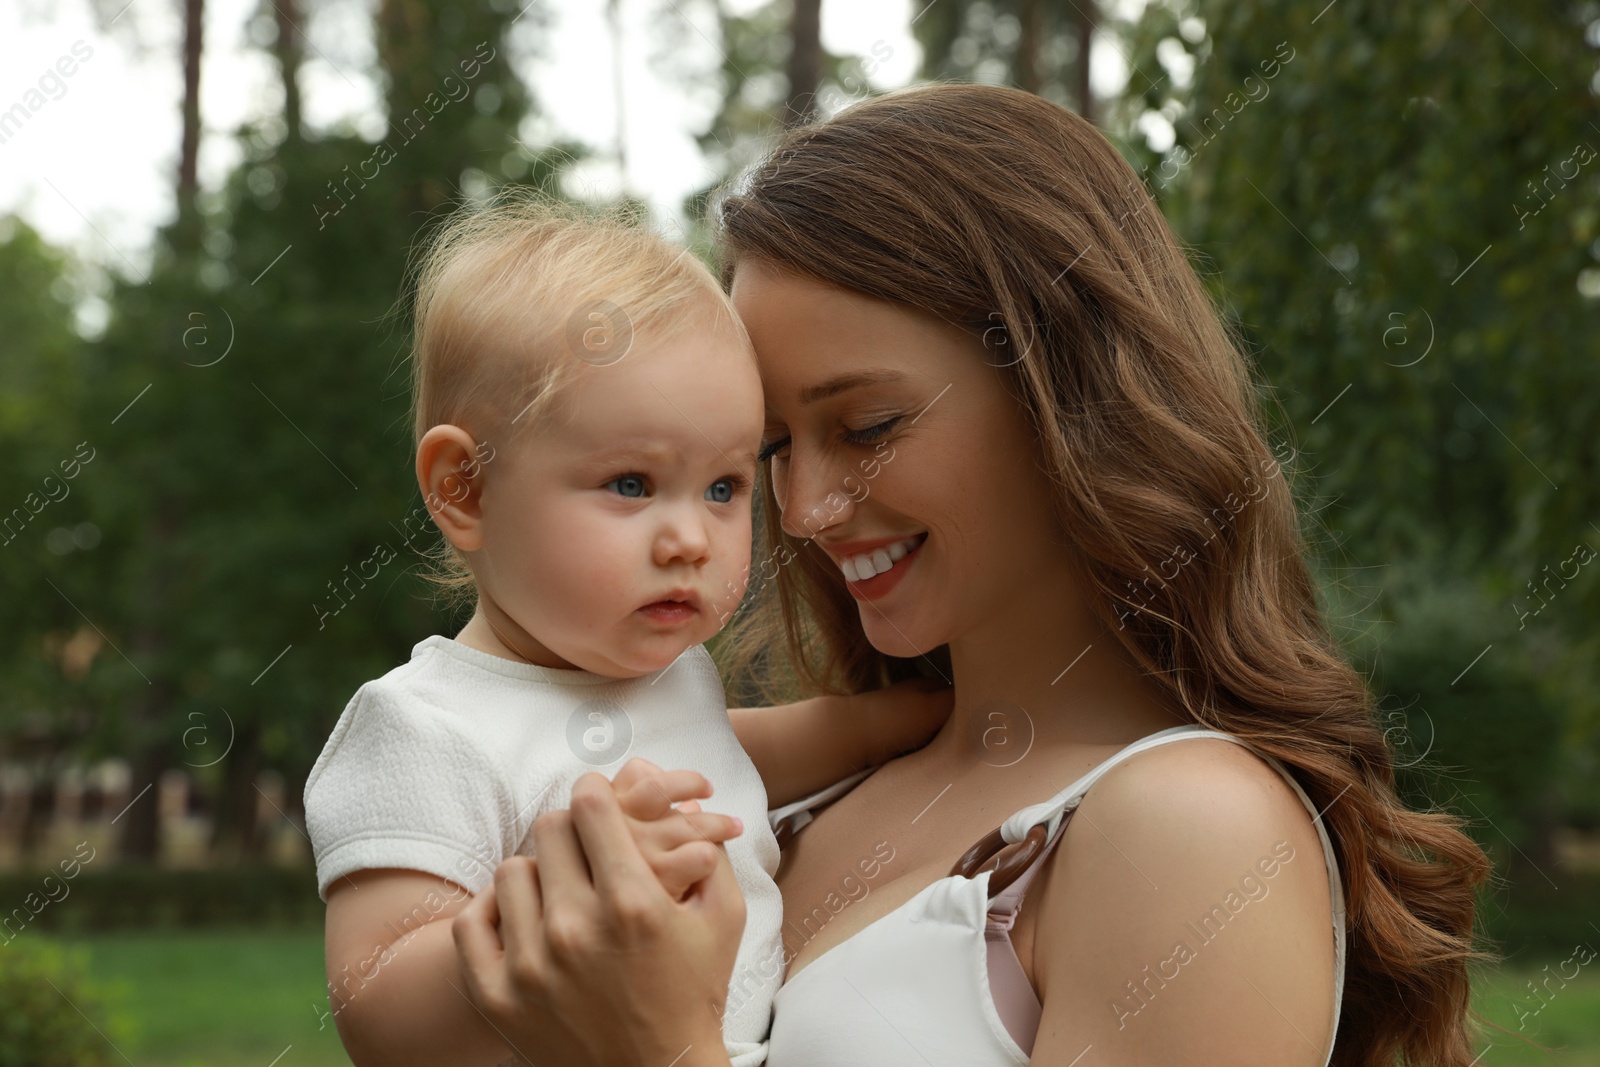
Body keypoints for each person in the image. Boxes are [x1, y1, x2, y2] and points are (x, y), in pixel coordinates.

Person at [452, 85, 1494, 1067]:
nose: (806, 509)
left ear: (1071, 393)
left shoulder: (1191, 829)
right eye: (770, 449)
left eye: (866, 425)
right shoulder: (796, 797)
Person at [302, 199, 952, 1067]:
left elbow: (729, 755)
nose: (690, 537)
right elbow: (371, 998)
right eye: (633, 483)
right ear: (465, 488)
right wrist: (555, 903)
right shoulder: (424, 727)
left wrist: (885, 722)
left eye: (723, 488)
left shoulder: (673, 677)